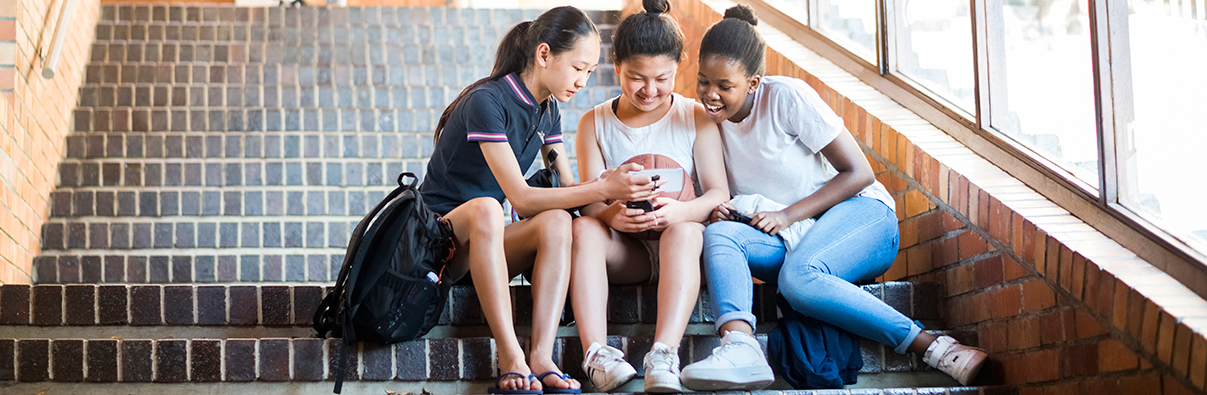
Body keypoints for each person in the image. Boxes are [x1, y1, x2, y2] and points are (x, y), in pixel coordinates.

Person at [678, 4, 987, 391]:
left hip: (861, 217)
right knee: (719, 237)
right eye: (704, 81)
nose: (711, 95)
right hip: (792, 238)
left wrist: (788, 214)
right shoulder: (705, 126)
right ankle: (741, 348)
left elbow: (859, 173)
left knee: (798, 278)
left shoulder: (787, 97)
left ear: (754, 82)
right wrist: (722, 211)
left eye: (725, 86)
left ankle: (934, 347)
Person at [420, 6, 658, 394]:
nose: (583, 81)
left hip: (484, 245)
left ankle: (541, 357)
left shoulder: (549, 110)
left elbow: (566, 190)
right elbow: (523, 198)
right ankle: (511, 355)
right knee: (487, 208)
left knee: (557, 221)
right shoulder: (488, 101)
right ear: (544, 55)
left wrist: (622, 203)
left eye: (588, 71)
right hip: (438, 245)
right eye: (578, 68)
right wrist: (604, 187)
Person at [567, 0, 729, 392]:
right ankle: (597, 355)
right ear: (617, 64)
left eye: (663, 78)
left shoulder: (695, 116)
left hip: (684, 250)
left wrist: (682, 212)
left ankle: (663, 354)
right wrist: (611, 217)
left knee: (687, 231)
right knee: (585, 229)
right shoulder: (595, 122)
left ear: (680, 67)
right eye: (637, 77)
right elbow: (589, 199)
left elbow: (719, 192)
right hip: (630, 253)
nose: (650, 89)